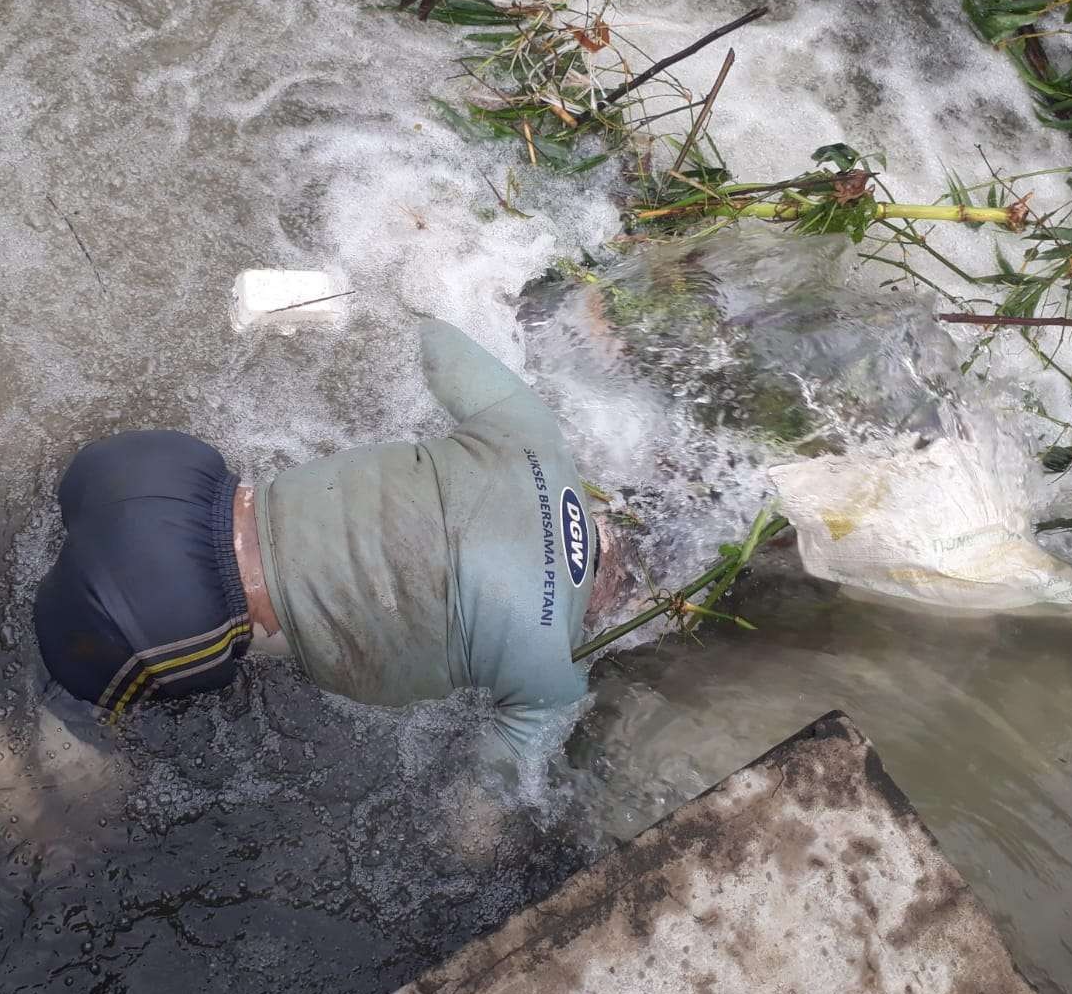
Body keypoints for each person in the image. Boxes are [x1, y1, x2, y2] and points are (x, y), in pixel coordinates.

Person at [33, 317, 634, 757]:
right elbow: (483, 816)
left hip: (158, 473)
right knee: (70, 735)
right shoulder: (548, 665)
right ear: (598, 611)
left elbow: (429, 335)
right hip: (172, 615)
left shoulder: (536, 436)